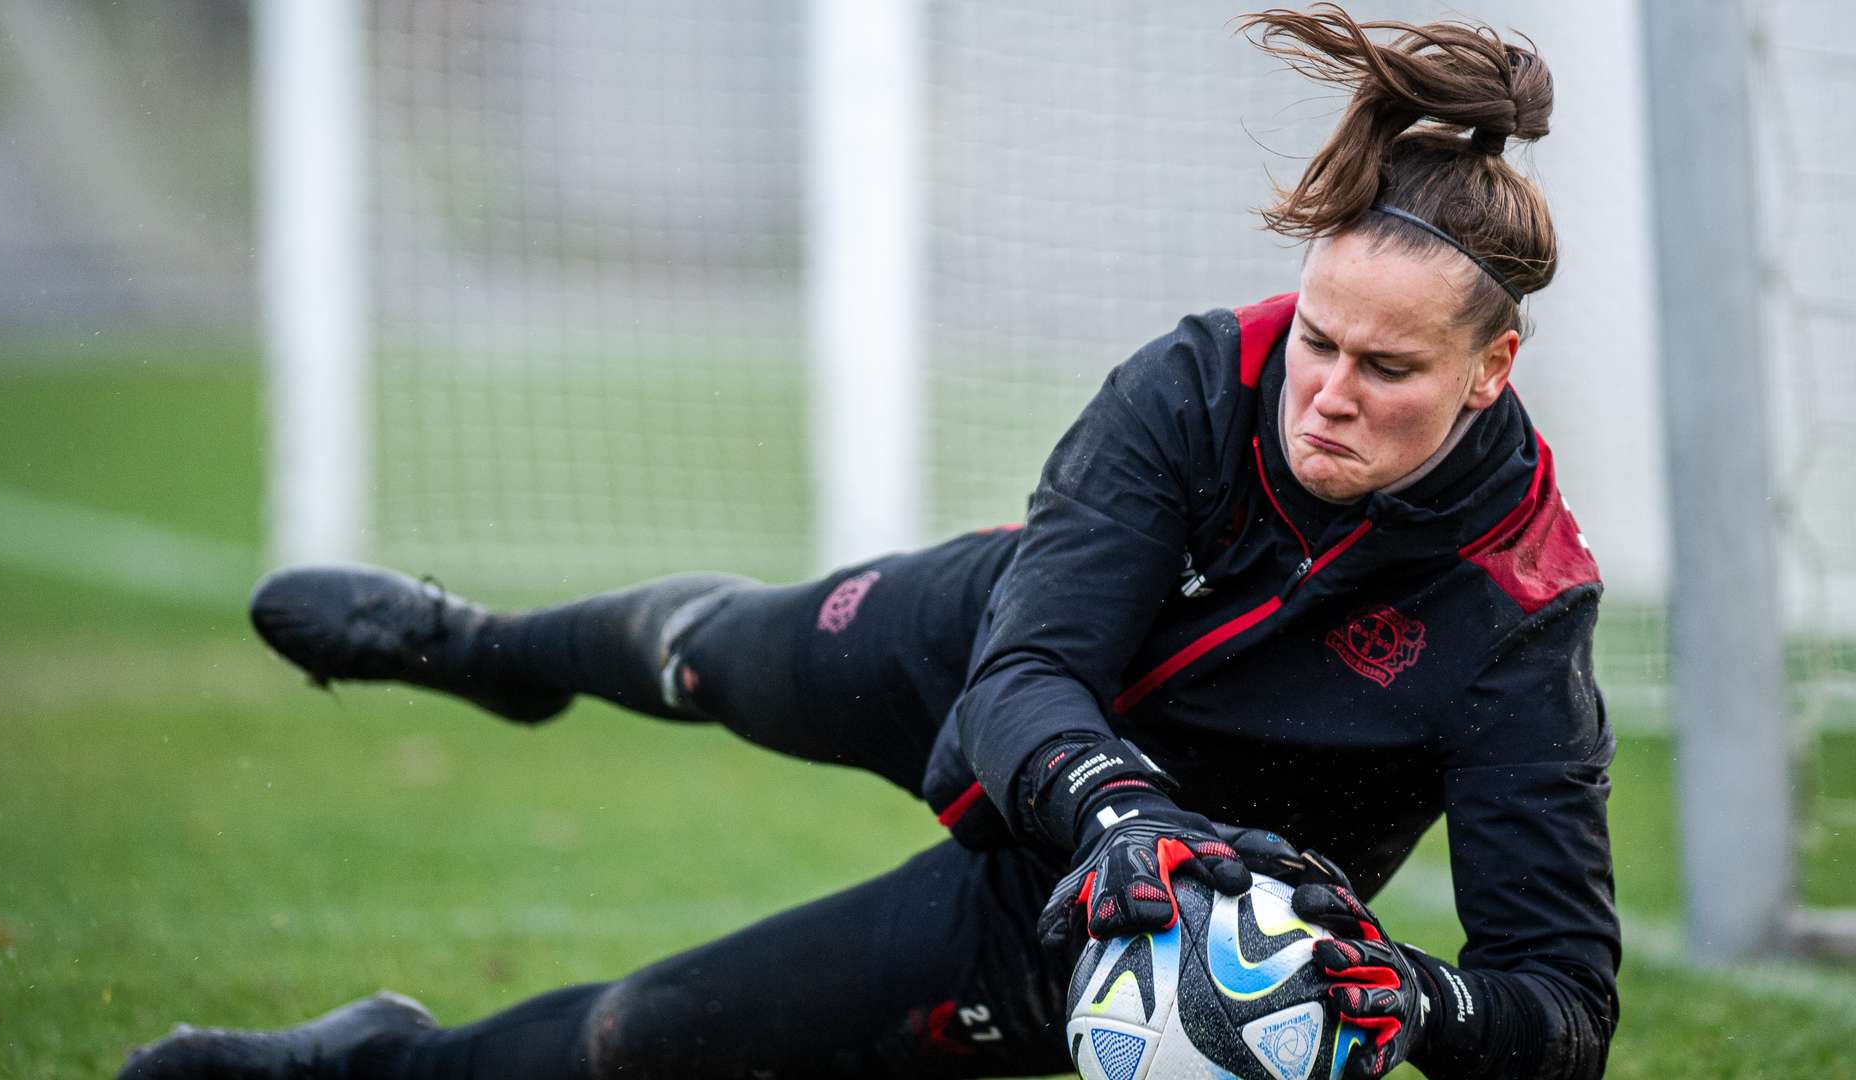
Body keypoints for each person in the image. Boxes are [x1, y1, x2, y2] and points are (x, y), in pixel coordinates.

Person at [121, 7, 1618, 1079]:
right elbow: (1026, 673)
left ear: (1489, 372)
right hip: (989, 667)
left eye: (1388, 371)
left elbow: (1560, 1006)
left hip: (1128, 914)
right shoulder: (1199, 378)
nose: (1328, 393)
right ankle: (494, 652)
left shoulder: (1519, 617)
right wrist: (1118, 809)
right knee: (709, 657)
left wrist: (1411, 1002)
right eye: (1320, 340)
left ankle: (382, 1057)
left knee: (647, 1041)